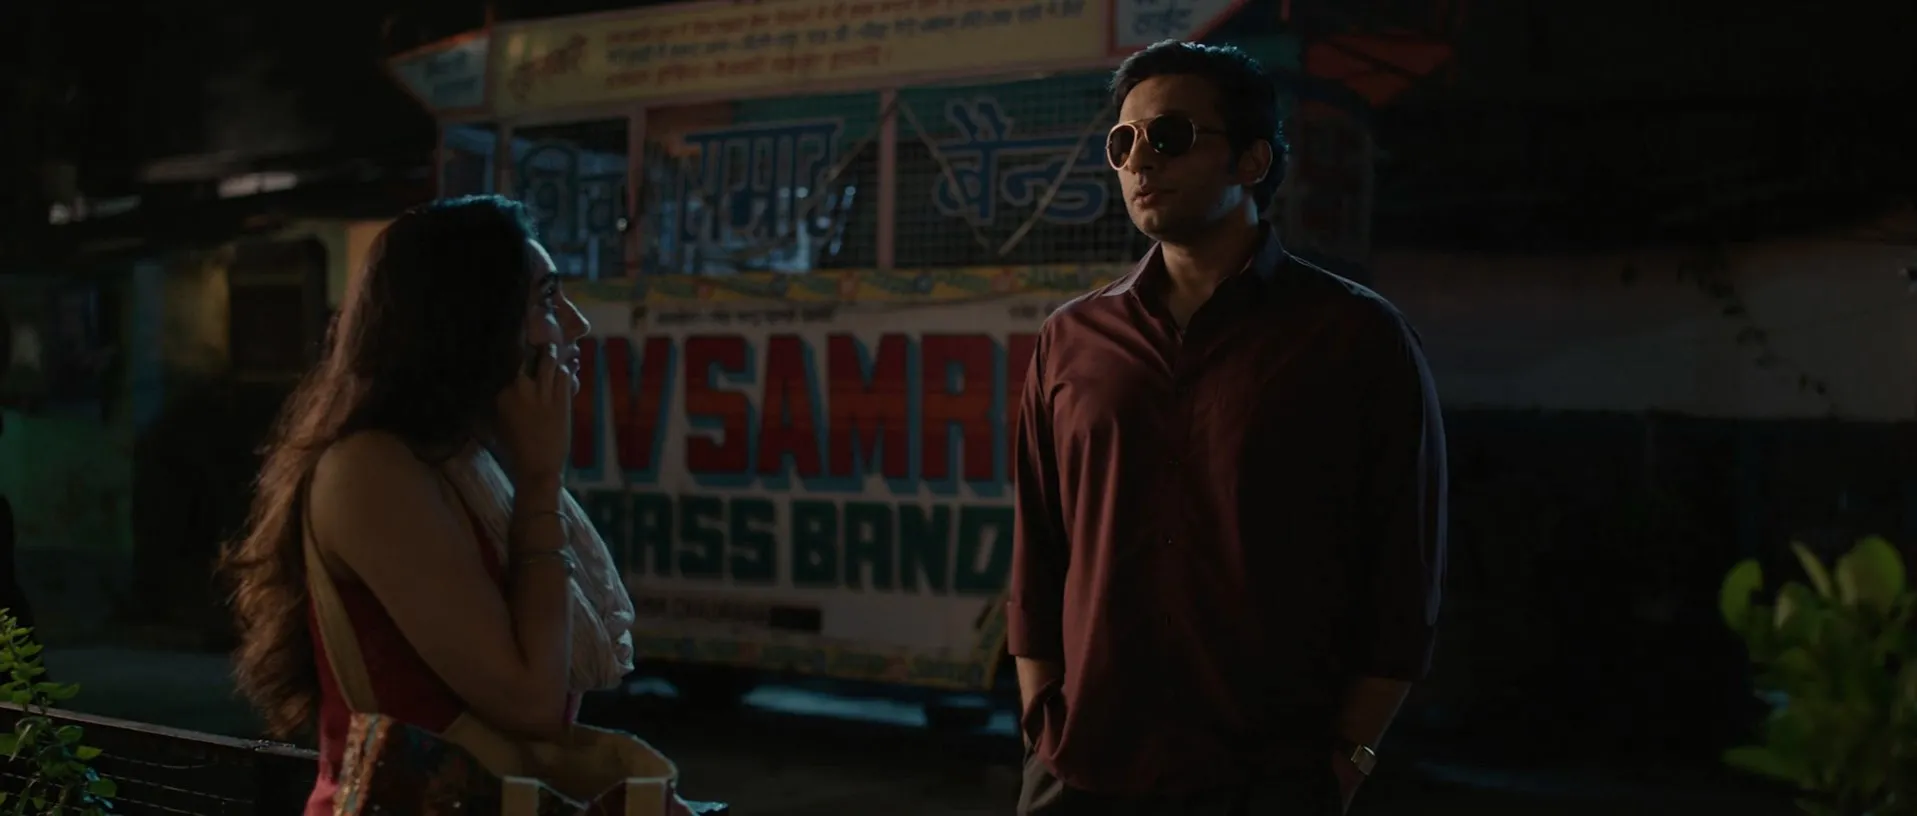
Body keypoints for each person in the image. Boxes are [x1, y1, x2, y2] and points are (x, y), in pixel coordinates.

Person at [1007, 41, 1448, 815]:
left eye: (1169, 135)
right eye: (1122, 141)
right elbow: (1038, 543)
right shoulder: (1071, 339)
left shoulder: (1352, 336)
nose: (1139, 160)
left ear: (1251, 161)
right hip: (1082, 762)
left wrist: (1350, 754)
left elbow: (1403, 564)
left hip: (1270, 774)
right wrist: (1043, 714)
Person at [219, 196, 687, 813]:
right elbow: (532, 703)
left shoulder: (465, 461)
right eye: (547, 302)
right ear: (470, 324)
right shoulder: (373, 471)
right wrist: (541, 479)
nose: (576, 326)